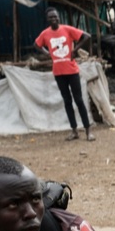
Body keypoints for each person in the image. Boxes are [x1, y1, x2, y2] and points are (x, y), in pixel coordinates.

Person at [34, 9, 94, 142]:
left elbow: (87, 36)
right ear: (48, 20)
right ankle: (74, 131)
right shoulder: (45, 33)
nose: (53, 19)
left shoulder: (67, 29)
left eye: (55, 16)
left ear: (59, 17)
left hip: (72, 71)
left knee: (79, 100)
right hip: (59, 73)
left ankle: (88, 130)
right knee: (67, 101)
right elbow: (36, 44)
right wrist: (47, 53)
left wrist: (75, 50)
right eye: (51, 17)